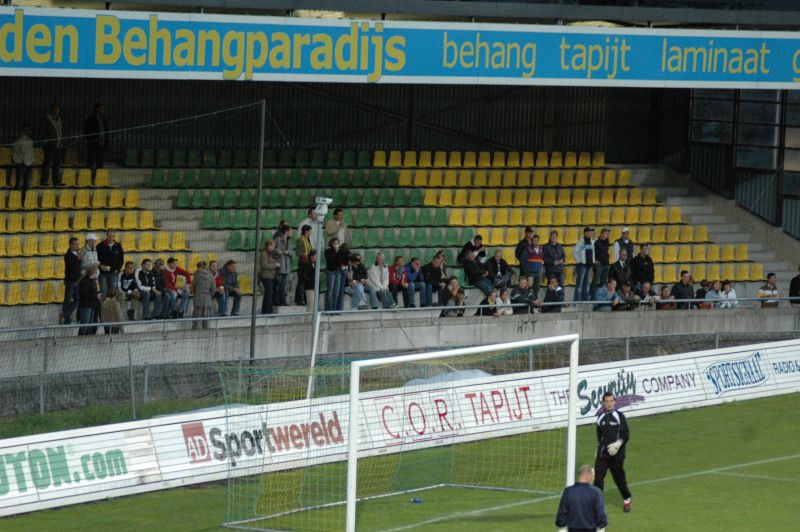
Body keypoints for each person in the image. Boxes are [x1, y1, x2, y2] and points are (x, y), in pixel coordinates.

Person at [594, 392, 632, 513]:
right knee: (598, 479)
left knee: (619, 479)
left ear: (614, 402)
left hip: (617, 454)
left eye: (611, 401)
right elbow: (599, 437)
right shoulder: (599, 418)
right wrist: (597, 450)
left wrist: (617, 444)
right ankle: (598, 505)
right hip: (603, 454)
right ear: (603, 403)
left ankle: (626, 499)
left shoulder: (619, 416)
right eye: (606, 401)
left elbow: (626, 435)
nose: (609, 403)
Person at [555, 464, 608, 532]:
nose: (593, 478)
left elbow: (561, 516)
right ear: (588, 476)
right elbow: (601, 517)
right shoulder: (596, 492)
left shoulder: (568, 491)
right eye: (593, 476)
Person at [38, 102, 64, 187]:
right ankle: (44, 181)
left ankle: (56, 181)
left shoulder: (59, 119)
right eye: (55, 109)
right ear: (51, 109)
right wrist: (48, 141)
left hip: (58, 145)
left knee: (57, 164)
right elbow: (42, 132)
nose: (57, 111)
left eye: (58, 109)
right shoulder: (46, 119)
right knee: (47, 163)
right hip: (50, 146)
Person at [83, 102, 109, 181]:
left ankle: (98, 180)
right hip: (93, 144)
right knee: (90, 162)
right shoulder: (90, 119)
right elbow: (87, 131)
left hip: (101, 144)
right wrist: (92, 139)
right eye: (101, 108)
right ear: (97, 109)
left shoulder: (103, 119)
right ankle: (86, 179)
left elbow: (106, 131)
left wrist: (106, 141)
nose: (102, 110)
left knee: (100, 163)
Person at [515, 228, 544, 297]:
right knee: (527, 286)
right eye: (534, 240)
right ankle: (527, 299)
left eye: (536, 240)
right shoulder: (525, 246)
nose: (535, 241)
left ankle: (535, 299)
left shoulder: (540, 249)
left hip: (537, 270)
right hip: (528, 270)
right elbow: (521, 257)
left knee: (536, 287)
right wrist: (527, 268)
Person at [96, 230, 124, 296]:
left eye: (112, 236)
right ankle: (103, 305)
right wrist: (100, 266)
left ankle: (112, 305)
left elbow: (121, 260)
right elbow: (96, 259)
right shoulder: (100, 246)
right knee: (103, 289)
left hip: (114, 272)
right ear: (106, 236)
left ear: (114, 237)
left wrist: (117, 269)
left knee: (113, 290)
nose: (110, 238)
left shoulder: (118, 246)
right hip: (102, 273)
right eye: (109, 236)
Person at [61, 236, 82, 325]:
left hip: (77, 280)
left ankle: (65, 315)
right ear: (71, 245)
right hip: (70, 281)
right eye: (75, 244)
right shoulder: (68, 256)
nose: (78, 246)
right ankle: (66, 317)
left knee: (77, 300)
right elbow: (71, 268)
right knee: (68, 299)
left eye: (78, 244)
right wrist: (78, 260)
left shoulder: (77, 254)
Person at [11, 124, 34, 203]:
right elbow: (14, 153)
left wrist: (31, 161)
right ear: (23, 131)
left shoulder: (30, 141)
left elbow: (31, 152)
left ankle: (25, 201)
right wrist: (19, 161)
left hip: (29, 164)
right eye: (27, 130)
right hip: (21, 164)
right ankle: (16, 201)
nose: (28, 131)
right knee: (20, 183)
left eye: (29, 130)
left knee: (28, 184)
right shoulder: (18, 141)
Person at [272, 223, 294, 307]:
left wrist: (287, 252)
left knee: (283, 286)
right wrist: (280, 251)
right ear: (286, 231)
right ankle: (276, 301)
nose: (291, 232)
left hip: (287, 265)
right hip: (279, 264)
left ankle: (283, 301)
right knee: (278, 284)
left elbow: (292, 252)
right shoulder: (277, 239)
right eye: (290, 230)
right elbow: (273, 249)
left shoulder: (290, 240)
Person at [573, 226, 596, 303]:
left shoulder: (592, 242)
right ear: (585, 233)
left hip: (589, 266)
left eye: (591, 232)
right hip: (582, 266)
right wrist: (580, 262)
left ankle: (585, 301)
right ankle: (577, 302)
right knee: (579, 285)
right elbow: (575, 253)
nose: (590, 233)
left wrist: (593, 262)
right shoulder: (581, 242)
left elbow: (593, 254)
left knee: (587, 285)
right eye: (589, 232)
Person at [191, 261, 217, 329]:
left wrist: (193, 292)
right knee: (206, 315)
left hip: (198, 296)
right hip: (207, 297)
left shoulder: (197, 274)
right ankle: (206, 330)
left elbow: (193, 285)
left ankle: (195, 330)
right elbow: (213, 289)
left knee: (197, 314)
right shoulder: (211, 275)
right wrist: (209, 296)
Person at [77, 265, 101, 336]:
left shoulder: (93, 282)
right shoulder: (85, 281)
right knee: (85, 325)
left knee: (91, 325)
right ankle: (79, 339)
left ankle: (88, 339)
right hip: (86, 306)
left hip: (93, 305)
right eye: (96, 272)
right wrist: (96, 296)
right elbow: (84, 294)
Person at [294, 224, 313, 305]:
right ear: (306, 231)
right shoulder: (300, 240)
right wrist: (305, 254)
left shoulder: (307, 239)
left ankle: (305, 298)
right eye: (310, 231)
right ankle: (299, 299)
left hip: (308, 262)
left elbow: (309, 249)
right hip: (303, 262)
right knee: (301, 281)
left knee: (306, 281)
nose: (311, 232)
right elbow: (297, 252)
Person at [260, 239, 280, 314]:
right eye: (272, 246)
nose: (273, 247)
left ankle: (266, 311)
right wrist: (275, 265)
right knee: (269, 294)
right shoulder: (264, 254)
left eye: (274, 246)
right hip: (266, 276)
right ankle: (268, 311)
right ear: (268, 246)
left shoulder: (271, 254)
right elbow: (264, 265)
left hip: (272, 276)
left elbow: (279, 253)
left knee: (269, 294)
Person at [590, 227, 611, 298]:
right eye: (606, 233)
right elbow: (592, 252)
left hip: (606, 264)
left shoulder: (607, 241)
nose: (607, 235)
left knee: (603, 282)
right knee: (595, 281)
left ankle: (600, 296)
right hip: (599, 264)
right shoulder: (597, 242)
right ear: (601, 234)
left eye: (608, 234)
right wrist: (595, 261)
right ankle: (592, 296)